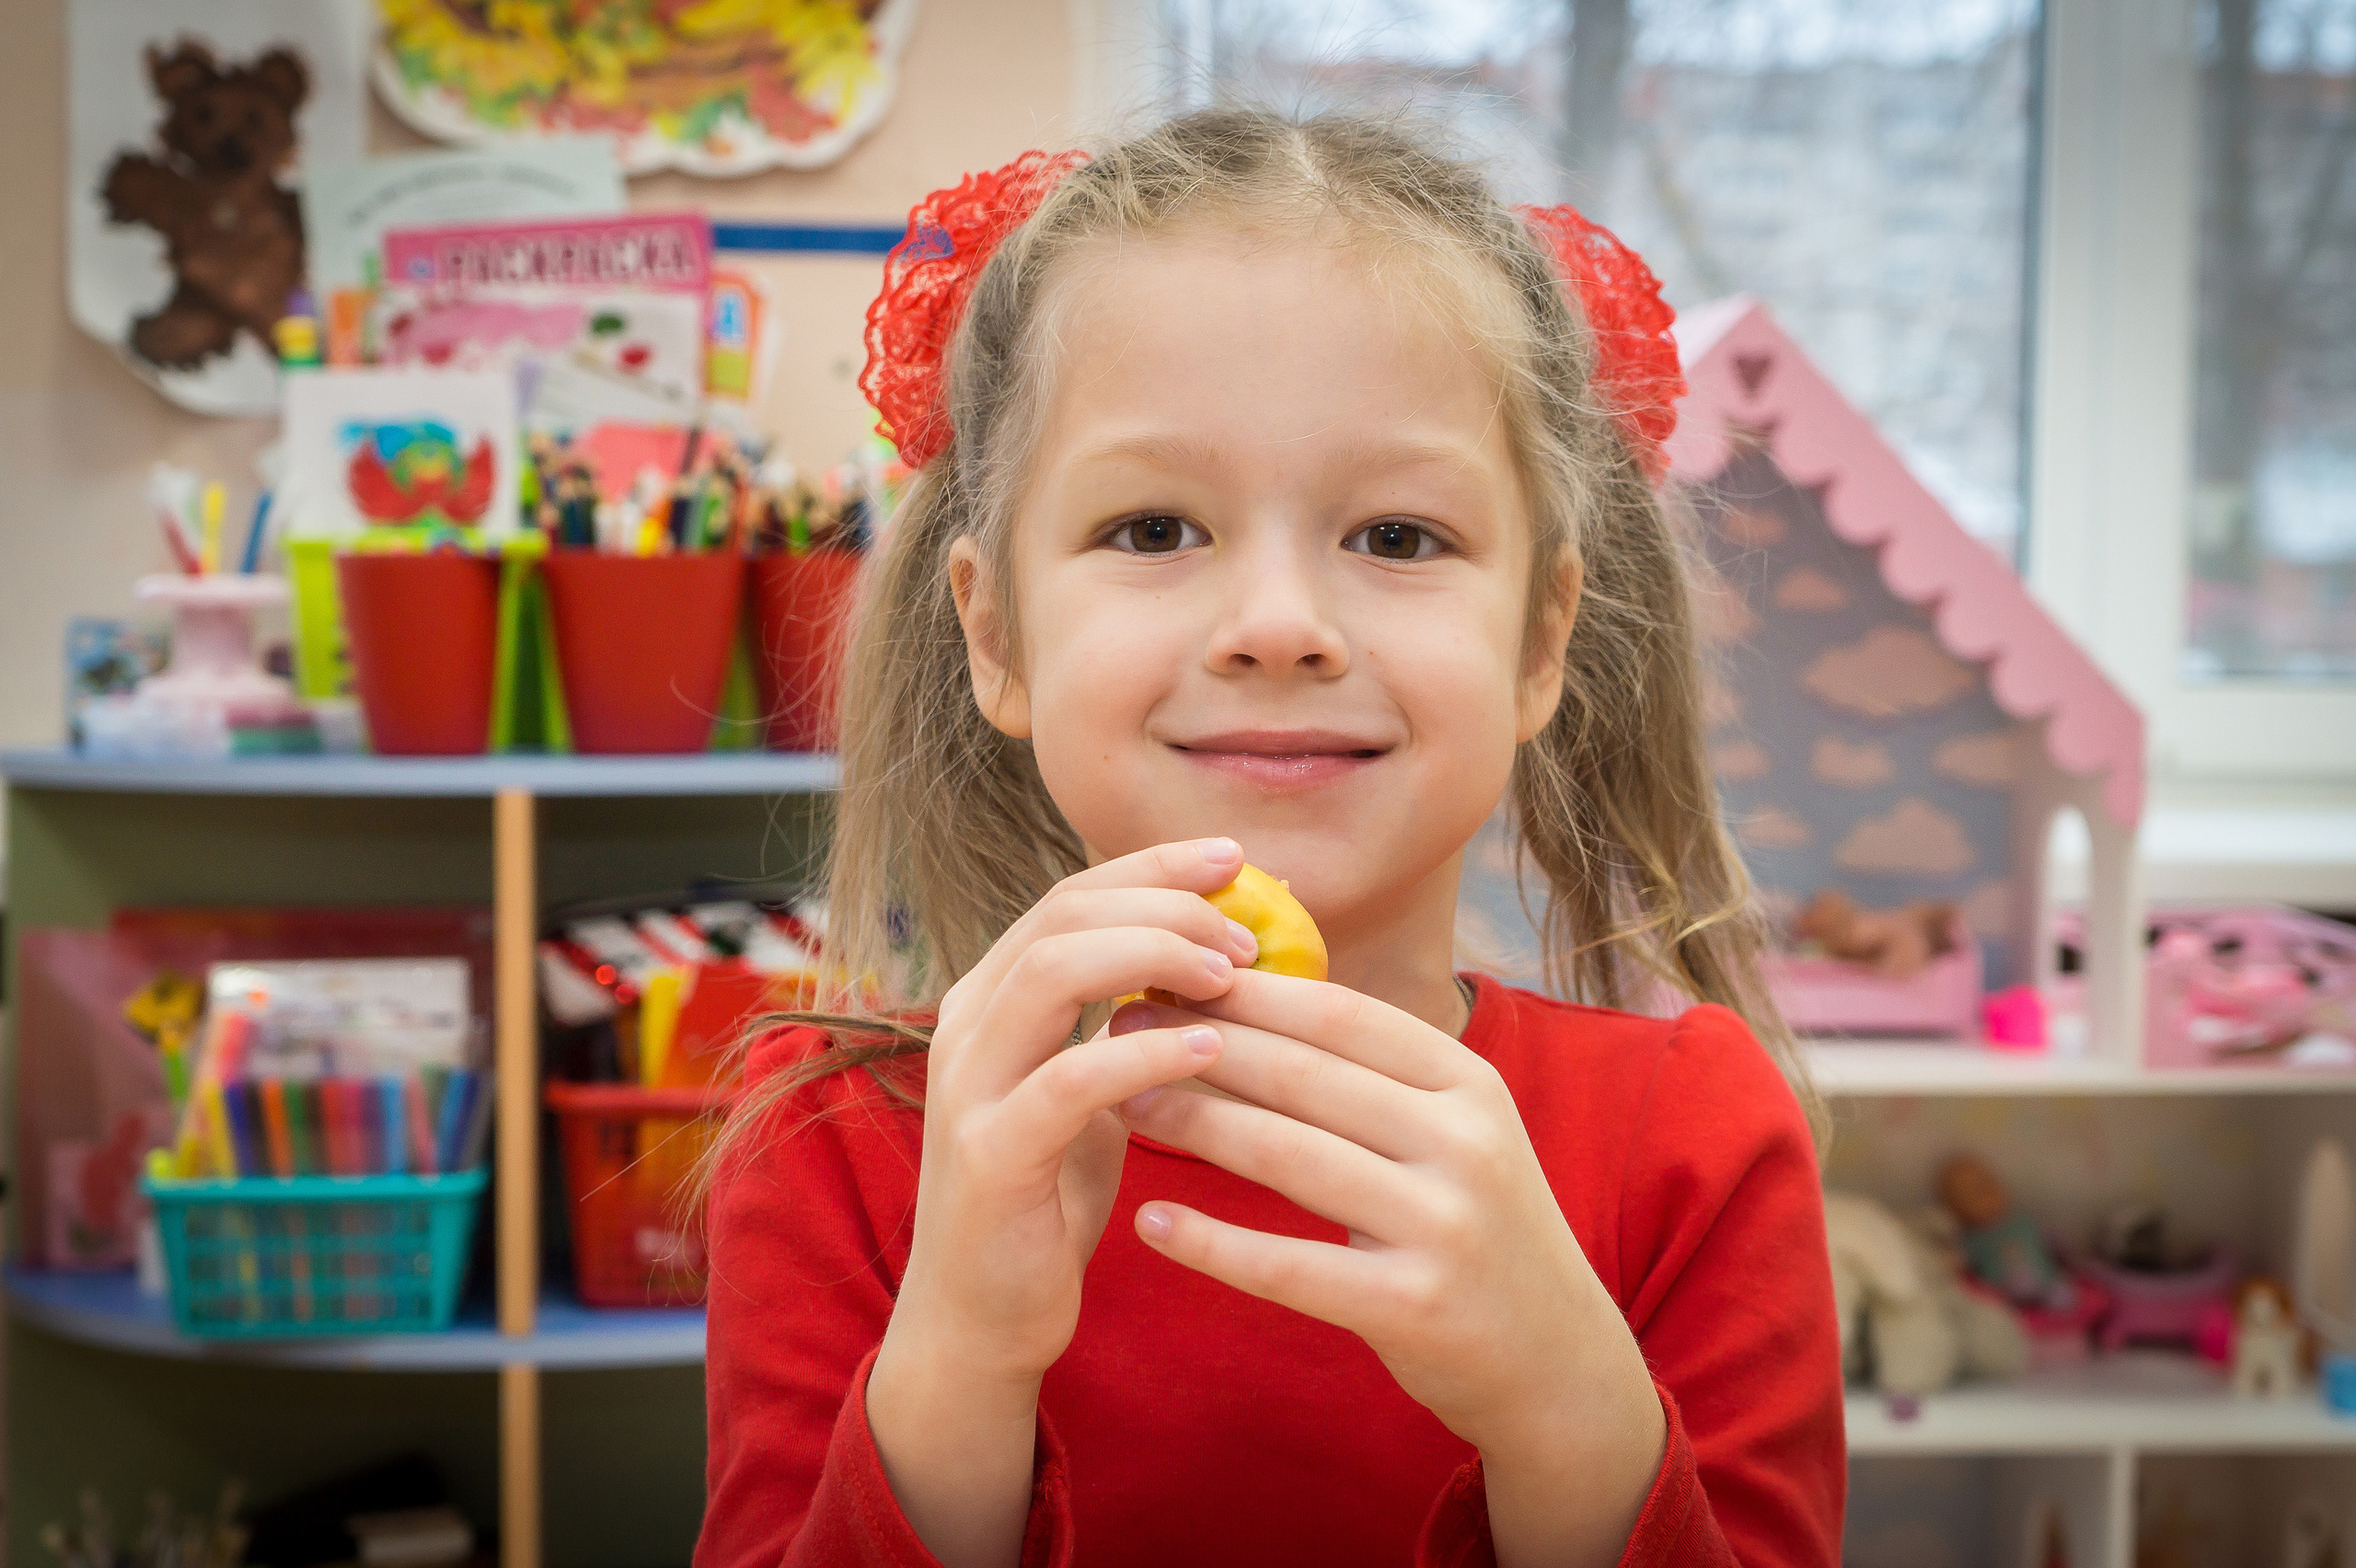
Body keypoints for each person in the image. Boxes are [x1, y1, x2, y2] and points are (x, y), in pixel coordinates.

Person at [696, 108, 1843, 1568]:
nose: (1281, 628)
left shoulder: (1694, 1142)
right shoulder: (837, 1151)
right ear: (996, 632)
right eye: (1157, 530)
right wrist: (960, 1361)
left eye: (1400, 539)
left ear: (1542, 638)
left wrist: (1566, 1410)